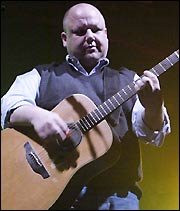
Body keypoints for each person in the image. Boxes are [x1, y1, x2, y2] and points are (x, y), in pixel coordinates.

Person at [1, 2, 171, 210]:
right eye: (80, 31)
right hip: (53, 194)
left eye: (96, 30)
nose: (90, 36)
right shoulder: (41, 76)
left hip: (115, 199)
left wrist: (154, 107)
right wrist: (36, 117)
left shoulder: (131, 81)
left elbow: (152, 135)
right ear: (65, 39)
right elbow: (9, 105)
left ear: (106, 35)